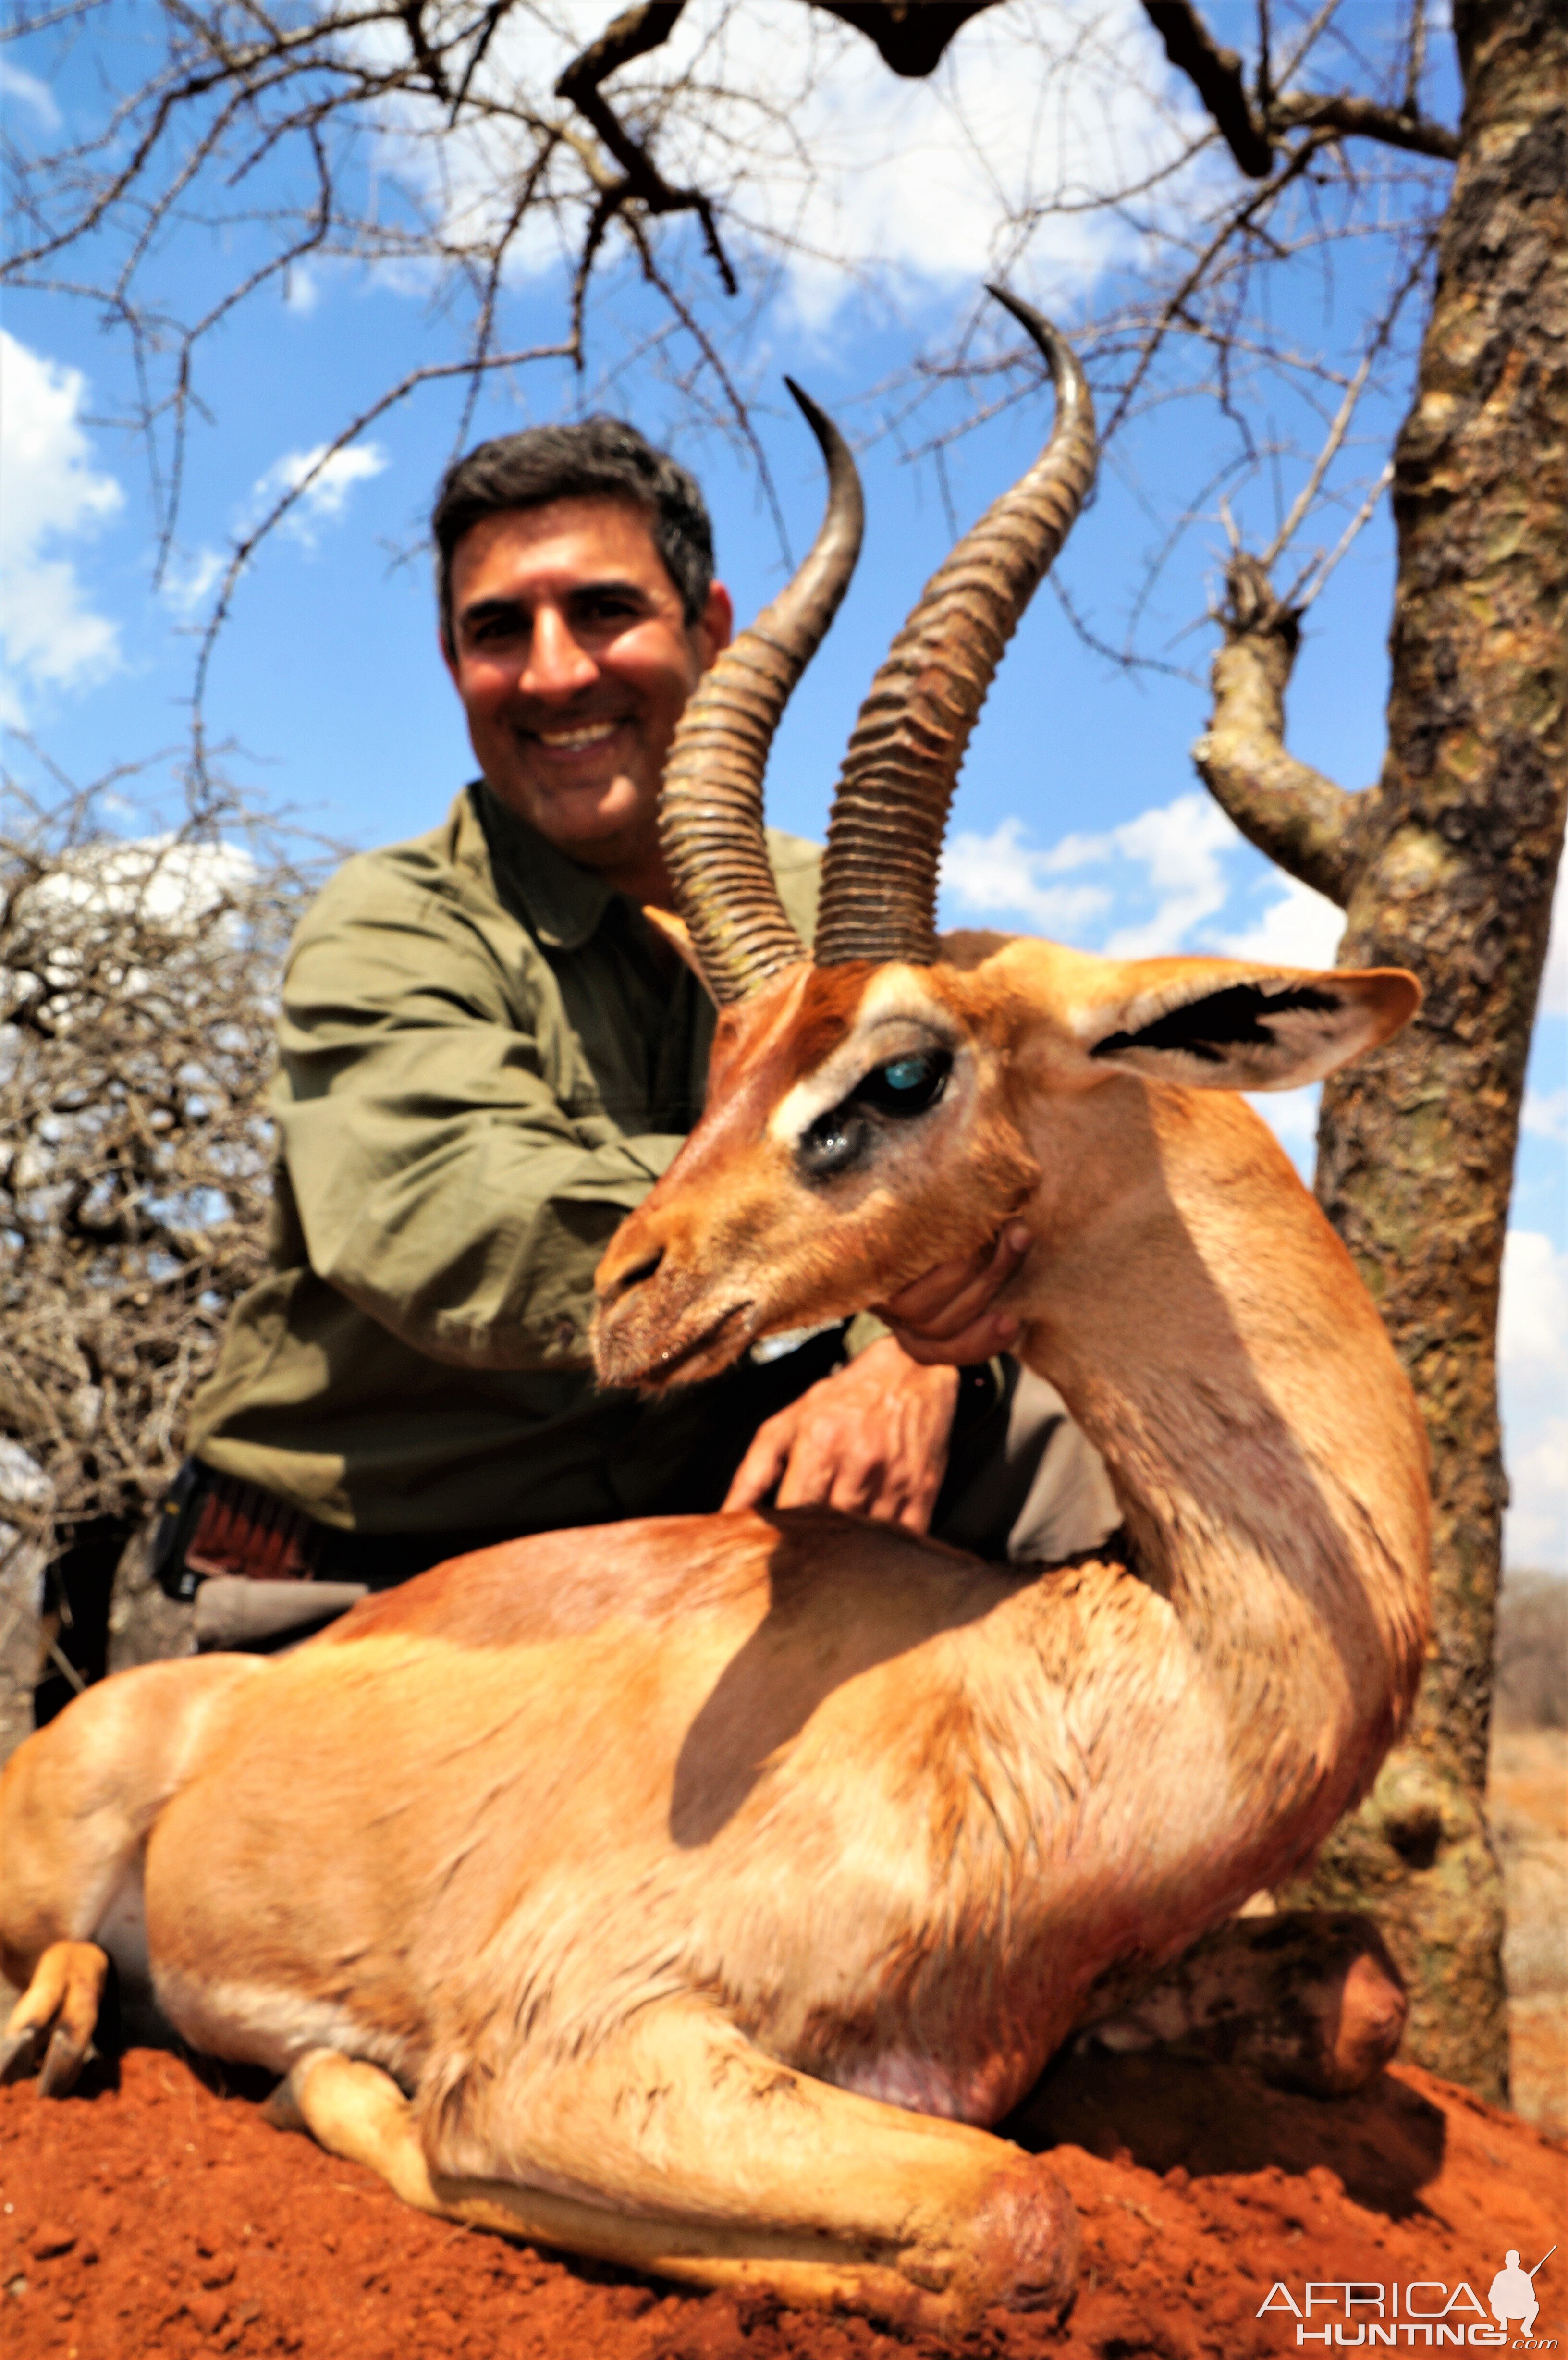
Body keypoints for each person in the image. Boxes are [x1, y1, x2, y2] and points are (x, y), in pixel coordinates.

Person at [140, 417, 1116, 1658]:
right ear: (453, 664)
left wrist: (908, 1364)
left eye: (603, 610)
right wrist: (875, 1273)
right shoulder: (391, 918)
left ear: (711, 629)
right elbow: (450, 1217)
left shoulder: (840, 911)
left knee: (1056, 1421)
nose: (553, 674)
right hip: (375, 1579)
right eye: (500, 629)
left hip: (710, 1548)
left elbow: (997, 1164)